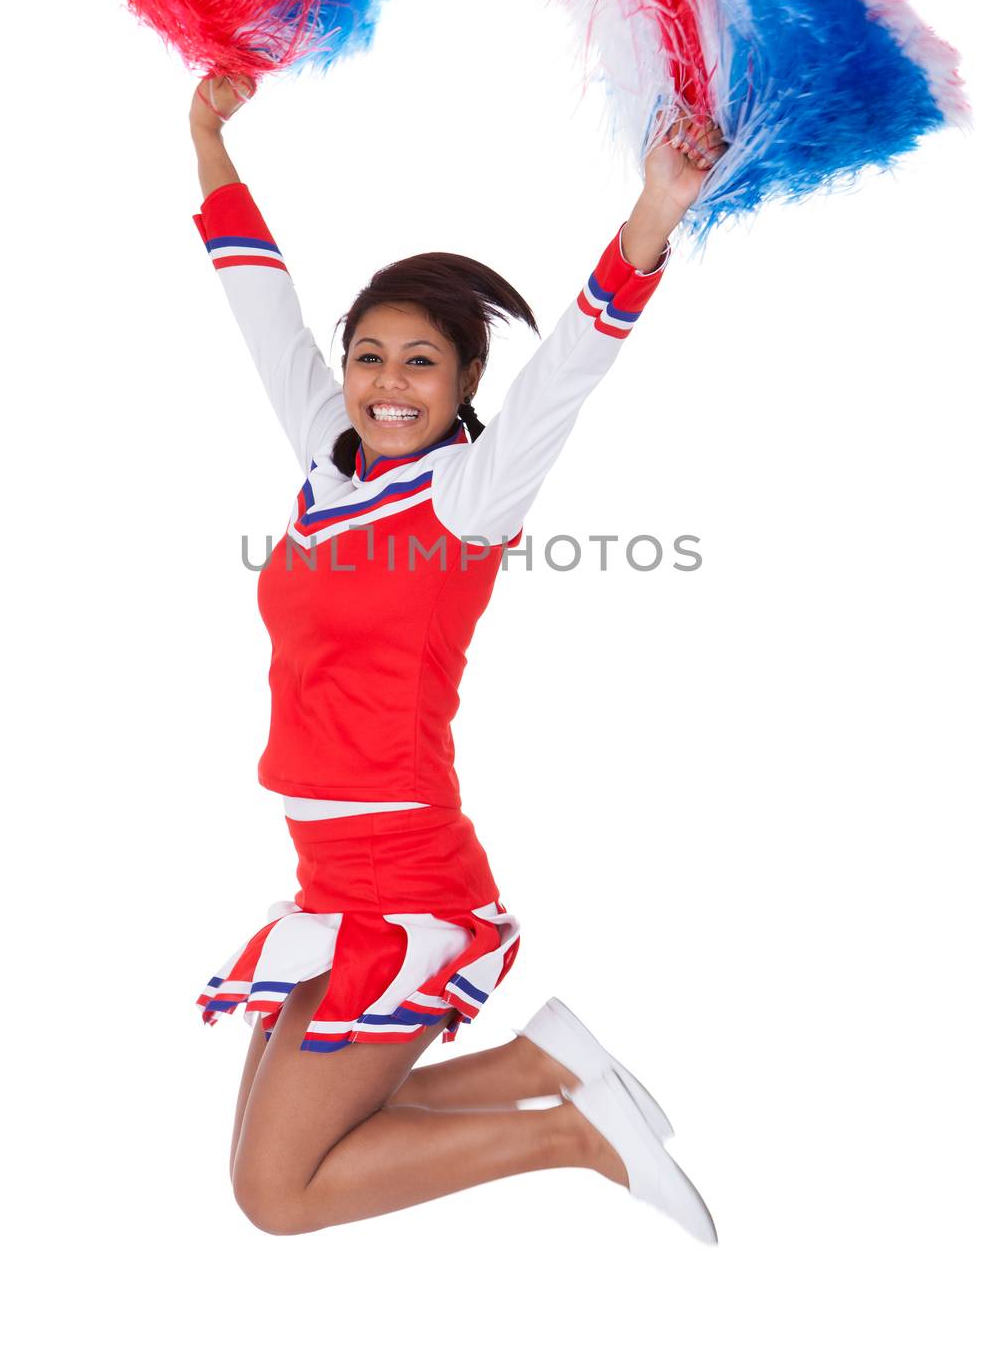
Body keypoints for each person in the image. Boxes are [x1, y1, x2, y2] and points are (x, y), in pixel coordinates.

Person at [189, 72, 726, 1239]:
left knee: (274, 1192)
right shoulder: (331, 470)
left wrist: (651, 216)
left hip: (402, 876)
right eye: (368, 356)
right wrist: (205, 136)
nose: (387, 383)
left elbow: (573, 366)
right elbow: (258, 304)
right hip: (327, 874)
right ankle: (541, 1060)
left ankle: (570, 1133)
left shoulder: (467, 495)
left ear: (465, 383)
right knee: (270, 1149)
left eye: (420, 363)